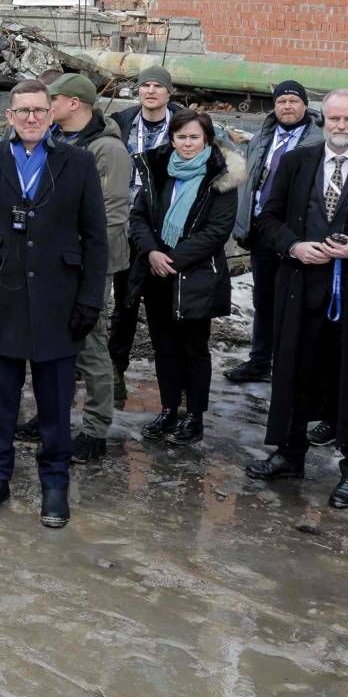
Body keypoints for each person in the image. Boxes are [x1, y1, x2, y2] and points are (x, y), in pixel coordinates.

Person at [246, 88, 348, 510]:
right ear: (324, 121)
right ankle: (290, 454)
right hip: (301, 289)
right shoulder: (296, 162)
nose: (341, 126)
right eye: (335, 118)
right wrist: (294, 246)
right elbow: (267, 219)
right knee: (295, 371)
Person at [0, 78, 108, 528]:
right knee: (0, 401)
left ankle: (55, 483)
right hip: (1, 300)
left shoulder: (78, 163)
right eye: (22, 111)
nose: (31, 118)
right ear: (9, 115)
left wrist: (90, 300)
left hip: (59, 301)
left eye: (39, 110)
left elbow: (96, 238)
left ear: (50, 114)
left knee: (56, 402)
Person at [128, 110, 244, 447]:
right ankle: (168, 409)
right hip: (156, 272)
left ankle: (194, 417)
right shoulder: (160, 169)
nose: (187, 143)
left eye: (194, 137)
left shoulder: (220, 176)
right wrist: (152, 252)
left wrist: (173, 260)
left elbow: (218, 230)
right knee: (163, 346)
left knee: (193, 348)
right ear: (172, 138)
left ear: (206, 139)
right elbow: (139, 216)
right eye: (181, 137)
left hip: (196, 276)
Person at [34, 73, 131, 464]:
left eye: (52, 99)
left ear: (74, 103)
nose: (46, 106)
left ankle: (95, 428)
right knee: (51, 342)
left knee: (89, 341)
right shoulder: (57, 140)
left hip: (89, 264)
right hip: (53, 259)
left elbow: (113, 215)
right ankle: (50, 416)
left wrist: (79, 257)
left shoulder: (108, 150)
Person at [226, 80, 324, 384]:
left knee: (296, 303)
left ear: (305, 105)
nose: (287, 106)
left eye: (294, 101)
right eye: (281, 101)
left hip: (298, 235)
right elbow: (250, 181)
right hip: (262, 231)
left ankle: (291, 366)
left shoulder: (317, 141)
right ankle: (260, 361)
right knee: (264, 299)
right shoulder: (264, 137)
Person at [107, 65, 184, 404]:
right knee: (124, 302)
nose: (150, 91)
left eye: (158, 86)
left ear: (169, 92)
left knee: (164, 307)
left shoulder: (184, 125)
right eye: (145, 85)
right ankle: (115, 369)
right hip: (126, 224)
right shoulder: (121, 122)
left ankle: (174, 383)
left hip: (166, 227)